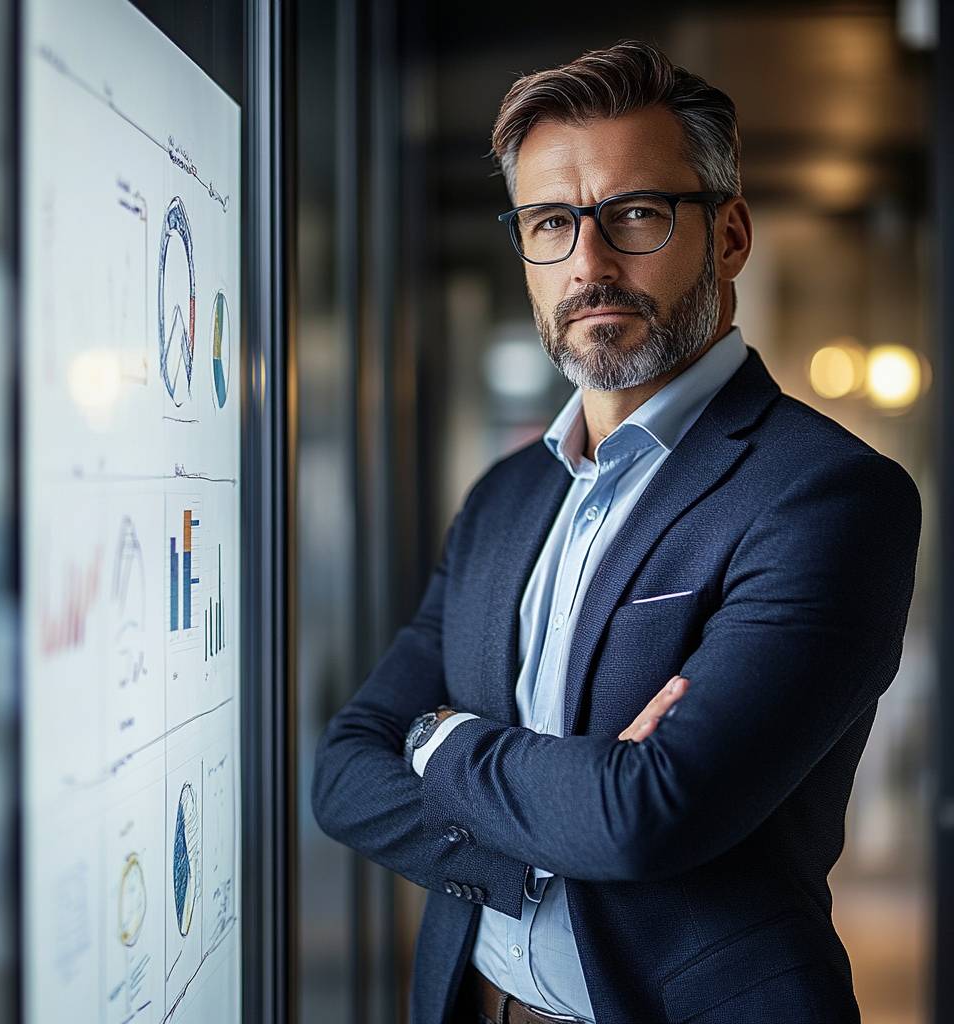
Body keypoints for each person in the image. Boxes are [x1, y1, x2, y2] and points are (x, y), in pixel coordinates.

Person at [311, 39, 921, 1024]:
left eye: (635, 214)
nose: (588, 264)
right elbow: (342, 773)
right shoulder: (505, 495)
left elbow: (647, 814)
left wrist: (432, 738)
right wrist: (560, 807)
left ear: (727, 235)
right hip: (474, 998)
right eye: (551, 222)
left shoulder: (828, 496)